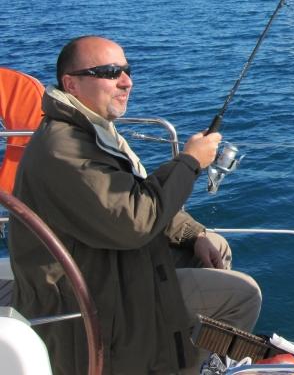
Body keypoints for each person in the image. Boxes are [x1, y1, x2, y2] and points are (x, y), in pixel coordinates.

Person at [9, 35, 263, 375]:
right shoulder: (65, 148)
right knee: (243, 295)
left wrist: (195, 234)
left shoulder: (93, 131)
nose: (126, 81)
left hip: (110, 263)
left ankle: (185, 354)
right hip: (94, 297)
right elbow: (134, 221)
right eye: (110, 72)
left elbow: (134, 195)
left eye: (127, 70)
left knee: (214, 246)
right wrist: (189, 161)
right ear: (71, 83)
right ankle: (192, 367)